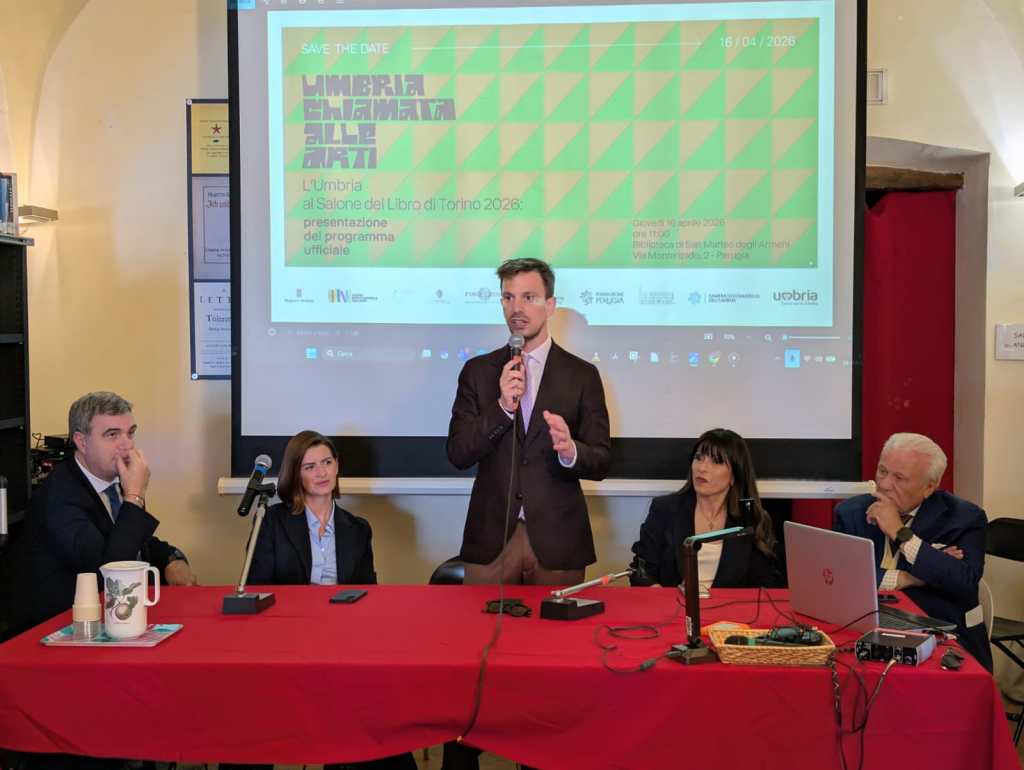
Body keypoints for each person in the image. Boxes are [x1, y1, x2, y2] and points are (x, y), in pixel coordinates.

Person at [227, 430, 416, 770]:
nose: (322, 472)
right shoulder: (272, 521)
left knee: (379, 704)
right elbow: (257, 588)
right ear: (295, 474)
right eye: (310, 466)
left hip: (344, 640)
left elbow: (368, 594)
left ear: (337, 466)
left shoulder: (357, 529)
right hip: (287, 641)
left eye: (327, 462)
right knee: (250, 712)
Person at [447, 258, 611, 587]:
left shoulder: (582, 375)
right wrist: (502, 408)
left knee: (557, 622)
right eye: (508, 297)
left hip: (558, 539)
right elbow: (458, 453)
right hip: (492, 539)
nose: (516, 308)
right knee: (478, 621)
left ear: (550, 305)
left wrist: (571, 451)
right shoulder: (478, 372)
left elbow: (602, 460)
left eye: (528, 297)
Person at [6, 391, 195, 640]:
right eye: (112, 435)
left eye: (130, 433)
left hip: (111, 621)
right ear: (81, 442)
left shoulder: (114, 481)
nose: (127, 445)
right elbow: (110, 572)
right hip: (59, 632)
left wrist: (171, 558)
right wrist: (135, 496)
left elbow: (131, 540)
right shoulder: (59, 496)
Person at [834, 432, 992, 670]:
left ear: (929, 487)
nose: (884, 484)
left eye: (899, 478)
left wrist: (900, 532)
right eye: (882, 471)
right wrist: (913, 577)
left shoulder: (963, 518)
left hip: (941, 637)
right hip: (864, 630)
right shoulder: (851, 512)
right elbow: (842, 579)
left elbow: (964, 581)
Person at [629, 428, 781, 590]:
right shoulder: (665, 510)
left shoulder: (751, 519)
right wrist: (659, 593)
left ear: (734, 476)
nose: (702, 468)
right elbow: (640, 570)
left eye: (716, 461)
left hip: (728, 607)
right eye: (698, 458)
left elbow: (766, 583)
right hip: (673, 605)